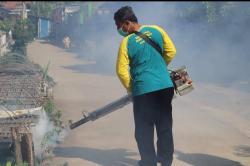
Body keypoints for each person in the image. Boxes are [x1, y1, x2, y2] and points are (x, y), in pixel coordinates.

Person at [114, 6, 176, 166]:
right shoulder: (157, 30)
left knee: (144, 130)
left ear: (127, 23)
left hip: (143, 91)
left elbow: (121, 71)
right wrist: (159, 68)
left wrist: (132, 88)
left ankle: (148, 162)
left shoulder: (126, 41)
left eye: (119, 26)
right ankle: (166, 161)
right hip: (165, 86)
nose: (119, 30)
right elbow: (171, 51)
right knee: (164, 126)